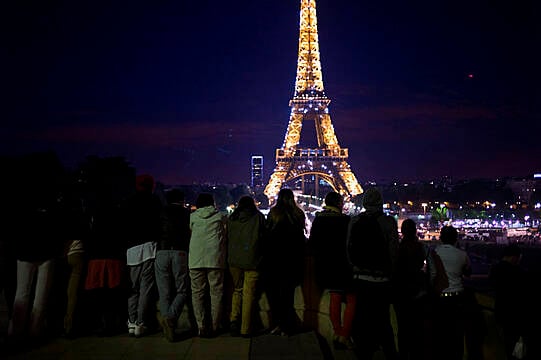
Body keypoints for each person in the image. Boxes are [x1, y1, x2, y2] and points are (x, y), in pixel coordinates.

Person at [347, 187, 399, 360]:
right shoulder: (389, 222)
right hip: (381, 279)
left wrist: (355, 268)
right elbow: (393, 252)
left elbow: (349, 249)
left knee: (361, 318)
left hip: (360, 278)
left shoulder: (354, 221)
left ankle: (363, 353)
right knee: (383, 320)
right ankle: (389, 354)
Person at [308, 191, 354, 350]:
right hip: (344, 264)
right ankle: (345, 335)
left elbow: (312, 244)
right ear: (339, 204)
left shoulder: (318, 220)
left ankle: (337, 331)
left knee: (335, 297)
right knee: (352, 299)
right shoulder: (346, 220)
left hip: (326, 266)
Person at [122, 174, 162, 337]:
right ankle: (141, 322)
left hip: (131, 249)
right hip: (148, 247)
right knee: (146, 288)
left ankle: (131, 321)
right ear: (151, 185)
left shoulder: (128, 202)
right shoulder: (155, 201)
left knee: (133, 288)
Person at [264, 188, 306, 336]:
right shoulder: (298, 214)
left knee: (275, 296)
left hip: (275, 260)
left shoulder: (273, 214)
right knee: (288, 296)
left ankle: (278, 324)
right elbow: (302, 238)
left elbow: (267, 236)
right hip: (292, 260)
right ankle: (288, 326)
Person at [428, 225, 472, 360]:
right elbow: (468, 273)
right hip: (458, 299)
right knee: (457, 335)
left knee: (439, 334)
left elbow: (431, 275)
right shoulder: (462, 255)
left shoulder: (434, 253)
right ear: (456, 239)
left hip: (439, 299)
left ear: (440, 238)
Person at [227, 195, 266, 337]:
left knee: (237, 290)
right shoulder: (259, 217)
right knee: (249, 294)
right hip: (252, 260)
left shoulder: (231, 219)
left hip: (234, 260)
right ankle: (245, 328)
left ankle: (233, 320)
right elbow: (264, 238)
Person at [189, 193, 227, 337]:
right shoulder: (221, 217)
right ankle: (215, 326)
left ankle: (201, 326)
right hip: (215, 259)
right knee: (216, 293)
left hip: (195, 260)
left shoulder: (192, 217)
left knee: (197, 294)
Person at [155, 189, 191, 342]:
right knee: (182, 290)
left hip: (162, 252)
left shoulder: (159, 213)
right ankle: (170, 318)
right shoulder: (186, 213)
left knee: (164, 293)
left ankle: (167, 324)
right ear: (182, 200)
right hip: (179, 251)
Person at [393, 218, 428, 360]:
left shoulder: (398, 248)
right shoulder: (421, 248)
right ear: (415, 231)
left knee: (402, 327)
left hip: (401, 293)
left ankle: (403, 354)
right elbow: (427, 268)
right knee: (417, 327)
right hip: (417, 292)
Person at [489, 243, 527, 360]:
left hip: (500, 309)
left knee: (504, 341)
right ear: (514, 257)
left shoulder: (494, 269)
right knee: (515, 343)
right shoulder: (518, 272)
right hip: (515, 312)